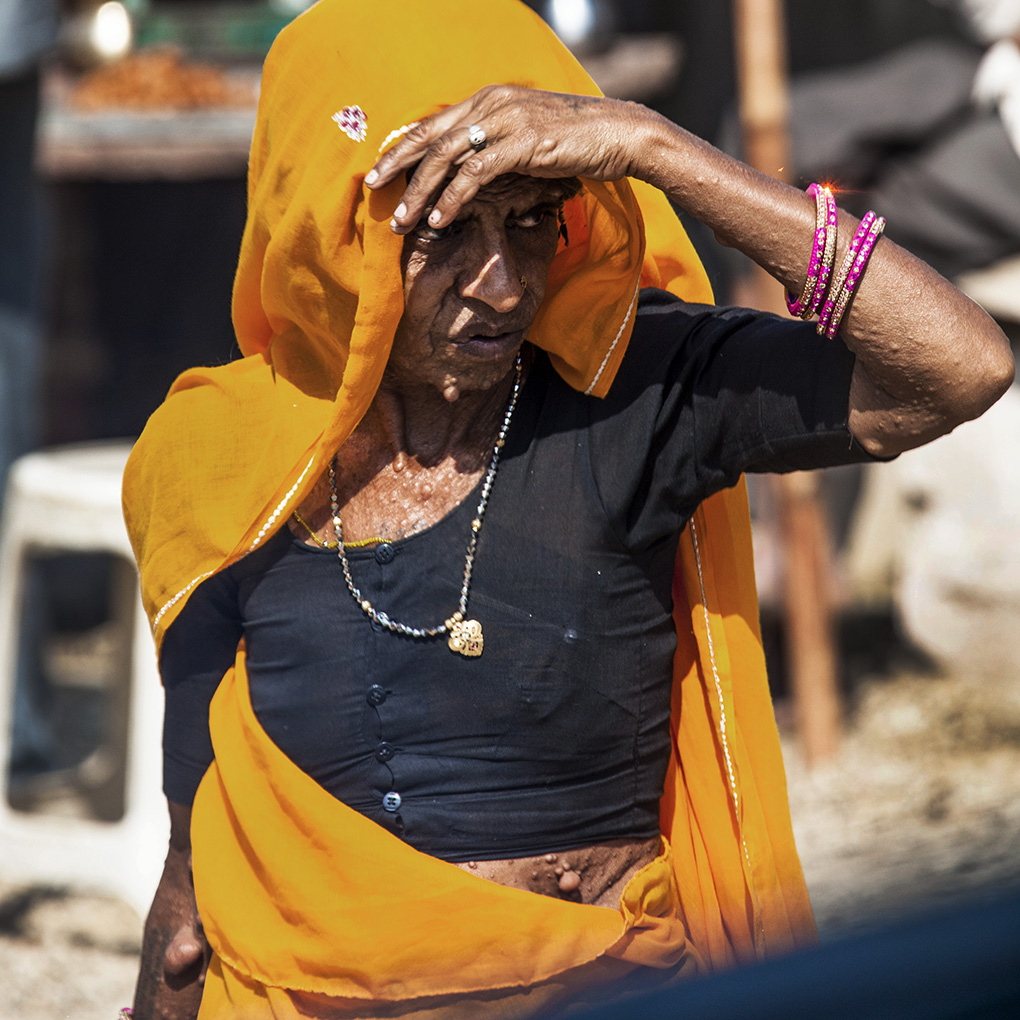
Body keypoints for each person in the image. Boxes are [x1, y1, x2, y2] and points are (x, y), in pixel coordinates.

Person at [121, 1, 1013, 1018]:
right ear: (330, 232)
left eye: (533, 219)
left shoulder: (640, 392)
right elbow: (192, 879)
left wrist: (655, 146)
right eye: (443, 230)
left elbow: (961, 369)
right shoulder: (217, 460)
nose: (502, 286)